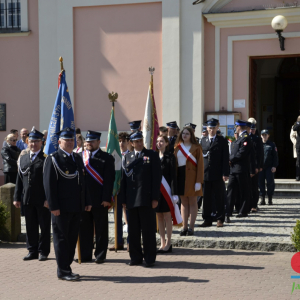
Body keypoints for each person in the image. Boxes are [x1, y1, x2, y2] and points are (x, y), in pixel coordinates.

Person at [43, 127, 92, 281]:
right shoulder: (53, 159)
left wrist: (87, 201)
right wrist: (53, 206)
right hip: (61, 208)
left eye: (71, 140)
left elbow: (83, 182)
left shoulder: (77, 158)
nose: (70, 143)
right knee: (61, 239)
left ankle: (67, 267)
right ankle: (63, 270)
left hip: (76, 206)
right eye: (66, 140)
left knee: (71, 238)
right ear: (59, 142)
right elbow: (49, 185)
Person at [120, 131, 161, 267]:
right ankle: (135, 257)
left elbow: (156, 179)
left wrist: (155, 198)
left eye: (140, 140)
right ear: (131, 143)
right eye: (136, 141)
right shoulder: (127, 157)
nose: (139, 143)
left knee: (148, 231)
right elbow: (124, 181)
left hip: (146, 199)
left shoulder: (151, 155)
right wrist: (123, 200)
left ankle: (149, 258)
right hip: (131, 200)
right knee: (133, 231)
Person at [13, 128, 51, 261]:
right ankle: (32, 250)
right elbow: (19, 179)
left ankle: (44, 251)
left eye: (36, 141)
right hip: (27, 198)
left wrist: (48, 199)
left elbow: (49, 182)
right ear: (27, 142)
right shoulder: (23, 158)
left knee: (44, 226)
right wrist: (17, 197)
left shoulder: (46, 159)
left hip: (42, 199)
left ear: (42, 143)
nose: (33, 144)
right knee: (30, 226)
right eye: (31, 141)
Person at [78, 130, 115, 263]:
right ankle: (85, 254)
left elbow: (109, 180)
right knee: (84, 229)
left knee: (101, 229)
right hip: (83, 200)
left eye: (92, 141)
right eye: (87, 141)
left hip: (100, 200)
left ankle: (100, 255)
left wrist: (106, 198)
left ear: (98, 142)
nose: (89, 143)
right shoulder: (79, 156)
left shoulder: (107, 157)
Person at [174, 127, 204, 236]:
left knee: (192, 202)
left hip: (192, 177)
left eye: (187, 133)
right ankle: (184, 227)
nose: (185, 135)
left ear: (191, 135)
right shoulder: (177, 148)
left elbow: (200, 165)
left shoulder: (196, 147)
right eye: (183, 133)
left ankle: (191, 227)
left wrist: (199, 181)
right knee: (183, 202)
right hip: (180, 176)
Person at [199, 118, 229, 227]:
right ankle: (207, 219)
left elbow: (225, 158)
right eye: (210, 128)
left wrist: (225, 173)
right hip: (206, 174)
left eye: (213, 128)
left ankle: (220, 218)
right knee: (206, 198)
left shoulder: (222, 141)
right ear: (207, 128)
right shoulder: (203, 141)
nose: (211, 130)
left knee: (219, 197)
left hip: (218, 174)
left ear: (217, 128)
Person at [226, 120, 255, 221]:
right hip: (233, 169)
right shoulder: (238, 139)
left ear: (239, 127)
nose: (236, 128)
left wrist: (231, 159)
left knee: (243, 191)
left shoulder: (246, 138)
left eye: (236, 126)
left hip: (241, 169)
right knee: (230, 190)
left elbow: (242, 153)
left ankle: (243, 211)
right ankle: (228, 211)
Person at [156, 135, 178, 253]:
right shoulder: (154, 156)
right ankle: (162, 242)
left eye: (161, 141)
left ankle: (169, 243)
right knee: (159, 216)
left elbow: (174, 176)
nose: (159, 143)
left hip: (167, 191)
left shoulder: (170, 157)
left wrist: (174, 193)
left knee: (167, 216)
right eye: (158, 141)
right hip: (157, 191)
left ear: (166, 143)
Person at [109, 132, 130, 251]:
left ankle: (130, 242)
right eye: (119, 141)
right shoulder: (114, 156)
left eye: (123, 141)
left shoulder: (131, 156)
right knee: (117, 218)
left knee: (129, 217)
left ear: (128, 142)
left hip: (127, 192)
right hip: (117, 191)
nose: (121, 143)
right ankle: (118, 241)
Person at [258, 130, 278, 205]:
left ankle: (270, 198)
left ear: (268, 136)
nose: (264, 136)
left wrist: (274, 166)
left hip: (269, 167)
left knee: (270, 183)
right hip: (261, 168)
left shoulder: (272, 145)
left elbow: (275, 157)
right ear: (261, 136)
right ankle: (262, 199)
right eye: (263, 135)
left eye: (265, 135)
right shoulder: (259, 144)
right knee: (260, 183)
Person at [248, 119, 263, 212]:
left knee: (254, 186)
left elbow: (260, 154)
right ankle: (247, 204)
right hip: (246, 166)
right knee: (247, 186)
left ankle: (254, 205)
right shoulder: (246, 137)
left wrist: (259, 166)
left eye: (253, 129)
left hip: (255, 166)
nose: (252, 131)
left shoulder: (257, 139)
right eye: (250, 129)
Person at [292, 117, 300, 181]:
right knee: (298, 161)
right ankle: (298, 176)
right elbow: (294, 129)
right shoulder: (297, 125)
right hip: (299, 145)